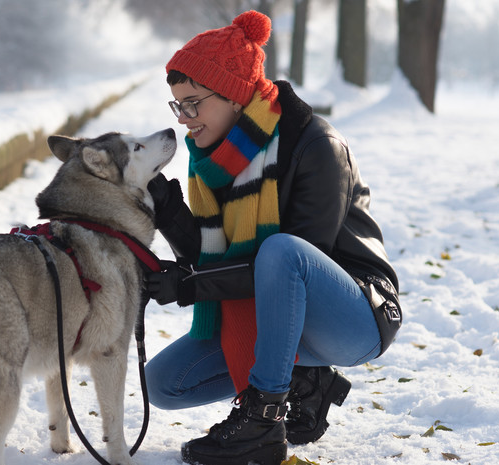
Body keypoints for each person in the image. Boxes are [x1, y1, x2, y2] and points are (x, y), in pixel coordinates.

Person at [144, 10, 402, 465]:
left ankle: (262, 421)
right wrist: (165, 209)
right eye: (177, 106)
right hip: (281, 314)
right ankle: (305, 379)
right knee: (164, 383)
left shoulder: (315, 144)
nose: (184, 119)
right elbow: (211, 257)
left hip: (355, 314)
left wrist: (192, 286)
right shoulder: (216, 158)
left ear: (236, 96)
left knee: (280, 251)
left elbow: (295, 263)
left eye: (193, 104)